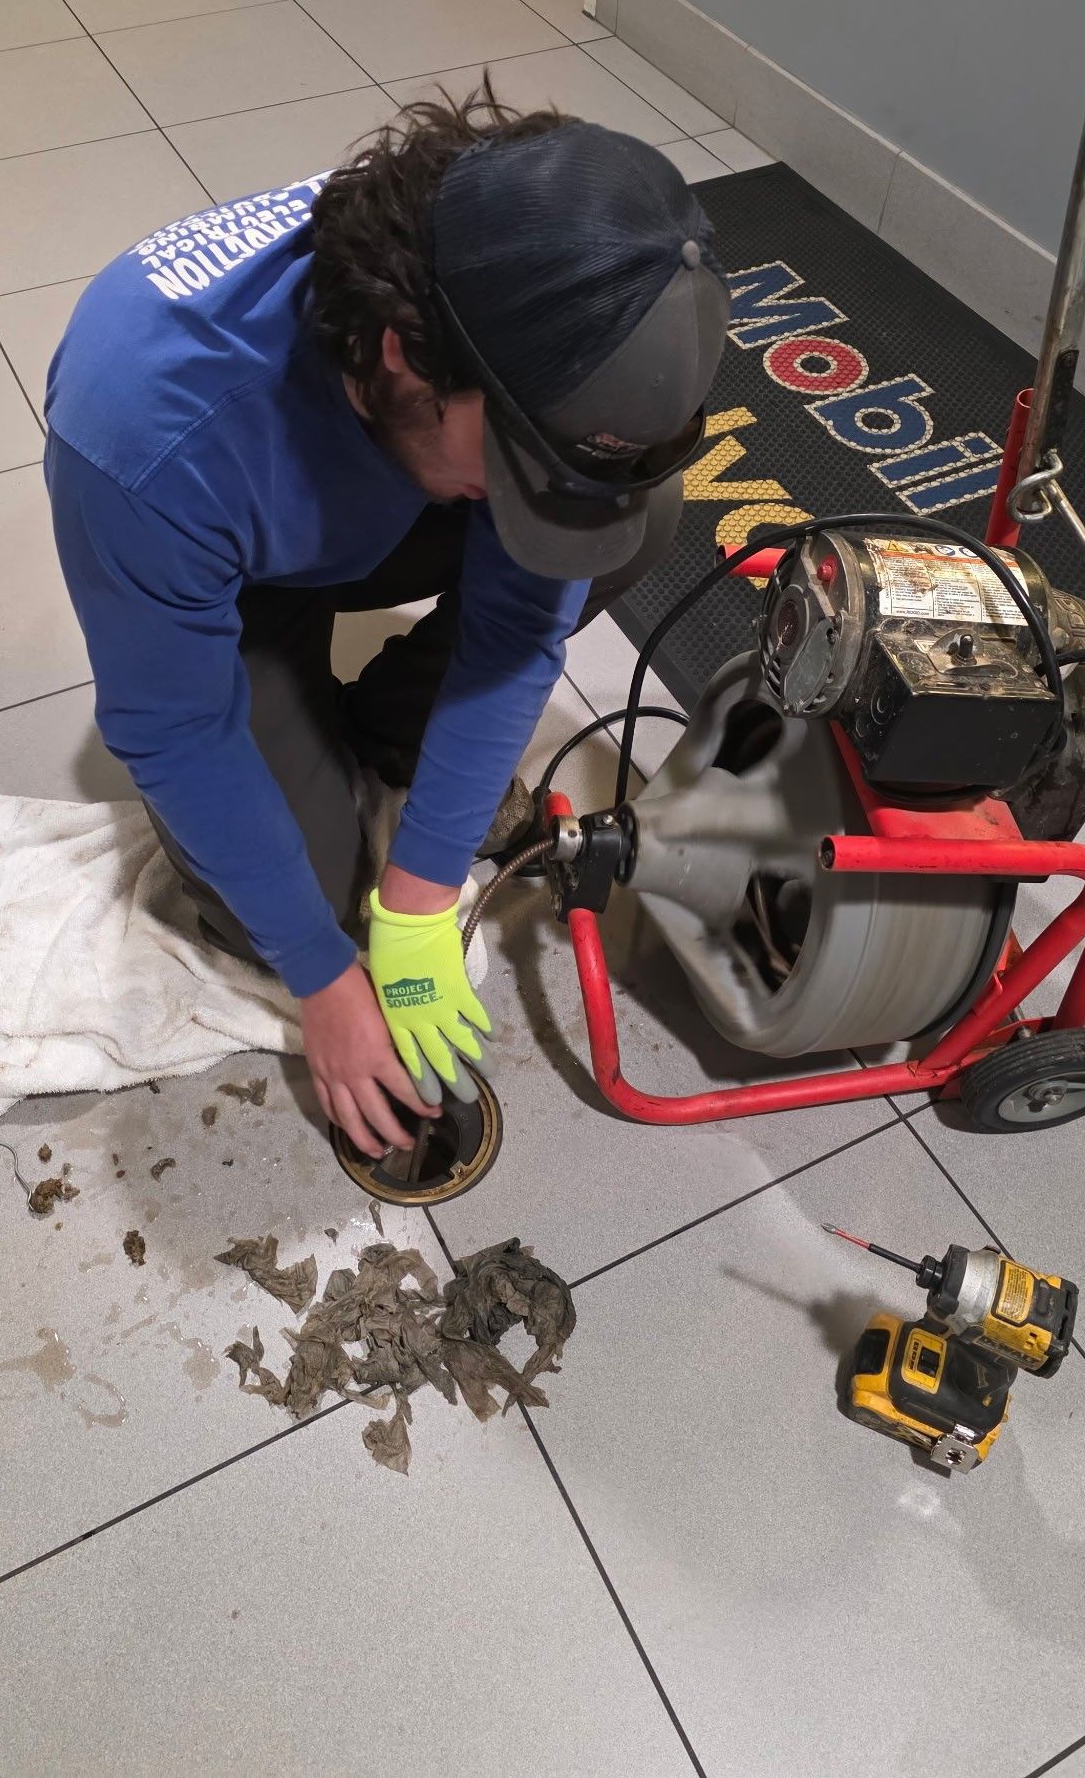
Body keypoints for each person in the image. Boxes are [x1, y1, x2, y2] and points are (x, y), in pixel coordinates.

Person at [45, 87, 729, 1162]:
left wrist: (414, 907)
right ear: (406, 352)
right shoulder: (146, 434)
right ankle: (302, 720)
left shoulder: (523, 316)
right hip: (242, 551)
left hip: (401, 492)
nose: (540, 500)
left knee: (637, 517)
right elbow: (175, 731)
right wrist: (324, 974)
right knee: (293, 911)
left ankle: (377, 733)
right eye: (516, 468)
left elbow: (518, 624)